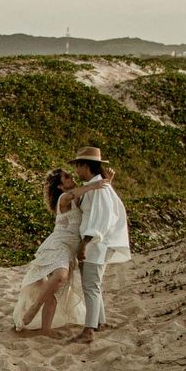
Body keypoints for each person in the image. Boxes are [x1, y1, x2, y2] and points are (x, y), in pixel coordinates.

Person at [12, 168, 93, 332]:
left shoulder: (79, 197)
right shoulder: (64, 198)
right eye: (67, 177)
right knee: (60, 276)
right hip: (58, 245)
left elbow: (96, 201)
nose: (72, 177)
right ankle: (34, 307)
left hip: (69, 249)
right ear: (60, 187)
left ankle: (45, 330)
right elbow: (77, 193)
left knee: (54, 293)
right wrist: (96, 184)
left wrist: (107, 183)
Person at [69, 146, 130, 344]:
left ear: (85, 166)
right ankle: (99, 322)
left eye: (78, 166)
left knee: (91, 286)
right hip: (97, 243)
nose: (76, 171)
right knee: (93, 285)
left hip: (97, 244)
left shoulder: (100, 189)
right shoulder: (98, 186)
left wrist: (84, 243)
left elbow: (102, 219)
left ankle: (89, 331)